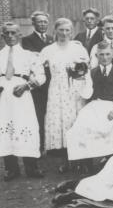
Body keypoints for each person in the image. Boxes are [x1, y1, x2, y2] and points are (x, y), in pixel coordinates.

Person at [0, 22, 46, 180]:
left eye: (14, 33)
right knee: (5, 125)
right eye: (7, 33)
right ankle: (11, 169)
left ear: (20, 35)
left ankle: (31, 167)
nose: (10, 36)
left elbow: (41, 76)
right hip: (2, 96)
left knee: (25, 125)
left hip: (21, 95)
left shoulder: (30, 55)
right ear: (2, 36)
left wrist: (27, 85)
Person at [66, 41, 113, 171]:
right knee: (81, 125)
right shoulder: (90, 73)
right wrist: (80, 81)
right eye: (101, 54)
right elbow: (87, 94)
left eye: (108, 54)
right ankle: (86, 162)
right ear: (96, 55)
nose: (105, 57)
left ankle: (111, 161)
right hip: (95, 105)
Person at [39, 18, 92, 173]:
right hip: (56, 90)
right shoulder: (48, 50)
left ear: (71, 32)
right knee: (61, 123)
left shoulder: (78, 48)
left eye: (67, 30)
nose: (64, 33)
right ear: (55, 31)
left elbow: (86, 69)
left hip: (75, 89)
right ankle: (65, 160)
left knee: (76, 122)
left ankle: (80, 159)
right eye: (61, 30)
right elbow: (36, 67)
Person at [21, 11, 54, 152]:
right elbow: (31, 61)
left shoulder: (52, 38)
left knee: (51, 113)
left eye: (45, 22)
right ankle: (39, 145)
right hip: (38, 84)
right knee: (39, 114)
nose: (42, 24)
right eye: (39, 22)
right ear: (33, 23)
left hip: (52, 81)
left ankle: (51, 144)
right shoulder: (27, 40)